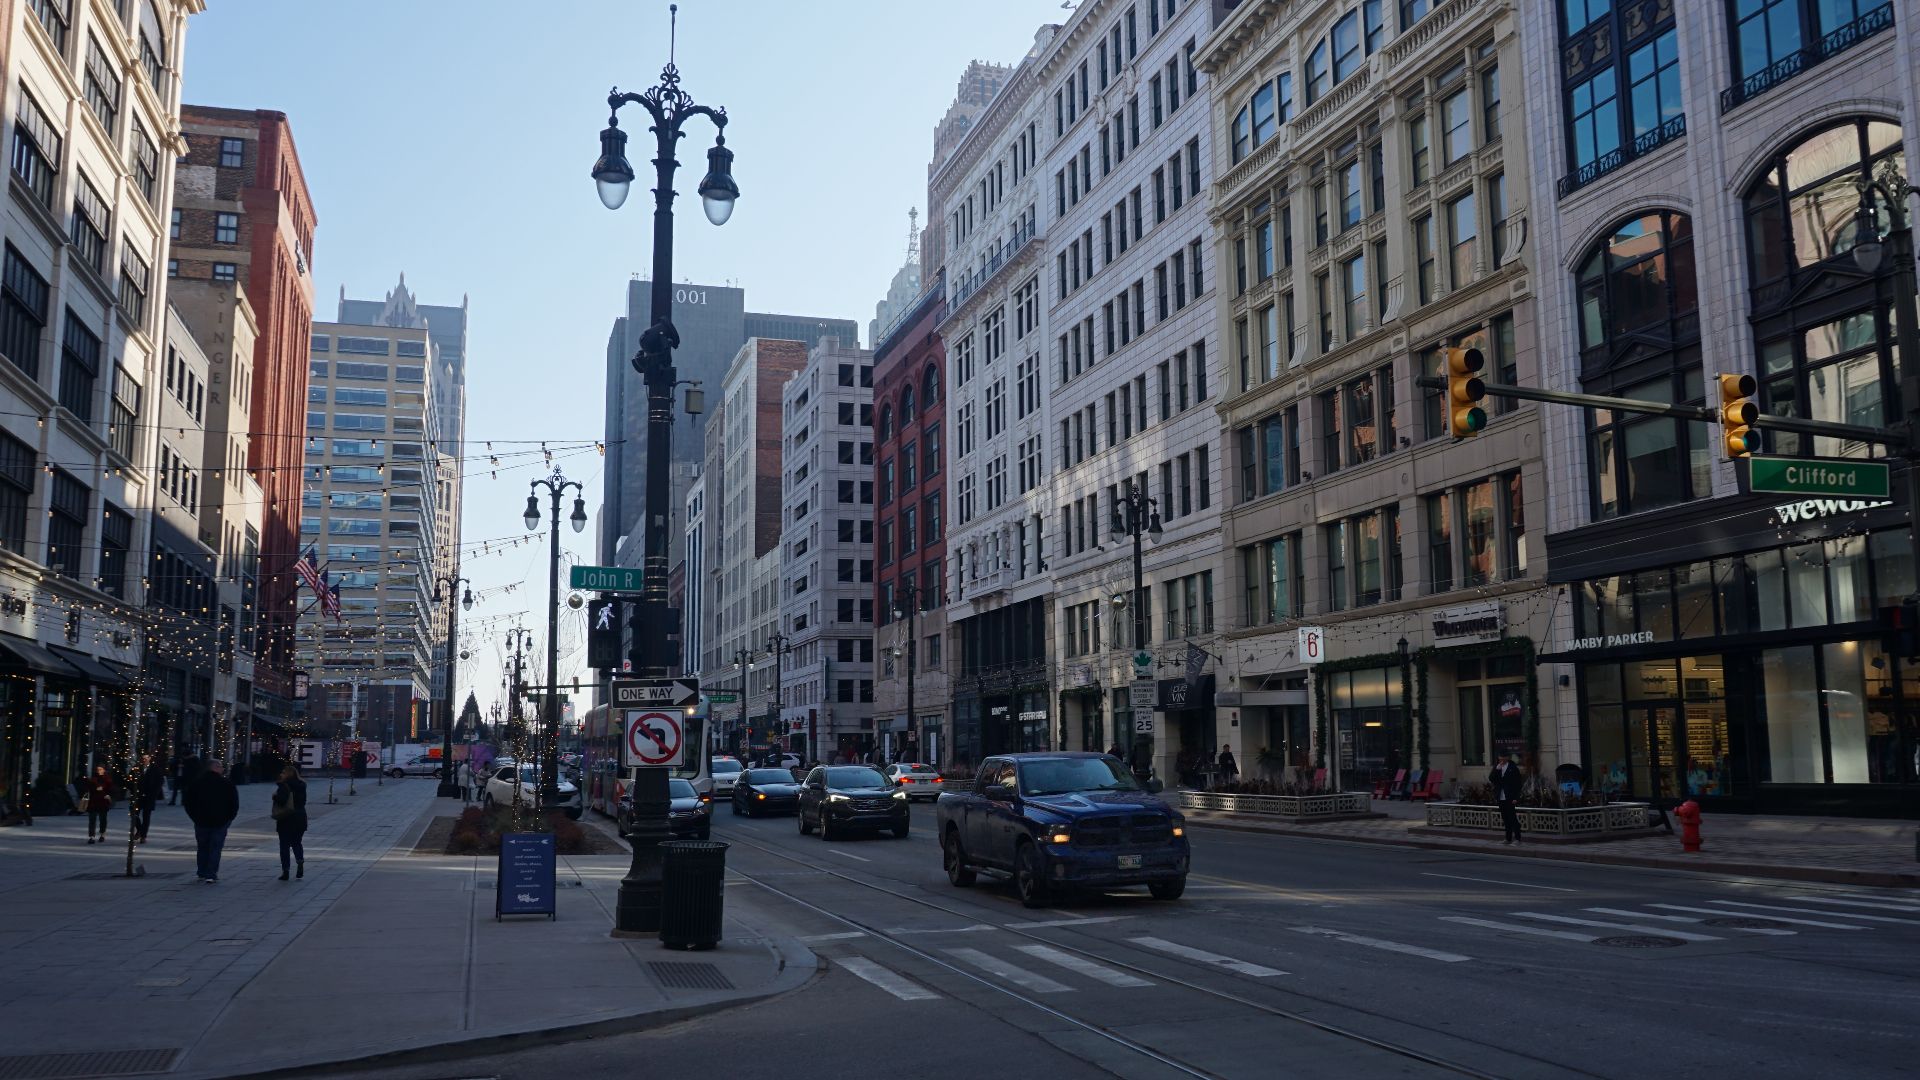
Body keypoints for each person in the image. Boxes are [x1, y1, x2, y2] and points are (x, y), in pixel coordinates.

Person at [182, 758, 239, 883]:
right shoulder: (226, 783)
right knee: (215, 848)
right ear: (215, 768)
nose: (223, 769)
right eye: (221, 767)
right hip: (221, 821)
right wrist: (230, 818)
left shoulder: (196, 783)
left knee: (202, 847)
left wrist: (194, 817)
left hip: (201, 821)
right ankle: (211, 873)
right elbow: (234, 803)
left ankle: (202, 871)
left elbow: (187, 802)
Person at [271, 763, 308, 881]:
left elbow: (282, 801)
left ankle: (285, 870)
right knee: (297, 842)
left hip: (286, 819)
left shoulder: (284, 786)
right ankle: (300, 861)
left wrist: (274, 797)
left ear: (287, 774)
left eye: (283, 772)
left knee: (284, 845)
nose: (281, 774)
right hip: (301, 817)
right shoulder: (302, 785)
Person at [1489, 752, 1524, 845]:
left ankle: (1518, 838)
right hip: (1501, 796)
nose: (1501, 761)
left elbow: (1518, 784)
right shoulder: (1497, 767)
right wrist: (1496, 770)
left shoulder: (1512, 768)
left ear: (1507, 758)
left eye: (1503, 759)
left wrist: (1516, 797)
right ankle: (1508, 838)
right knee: (1505, 818)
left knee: (1512, 818)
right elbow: (1491, 779)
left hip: (1510, 796)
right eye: (1500, 759)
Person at [136, 753, 166, 843]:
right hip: (138, 795)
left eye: (146, 758)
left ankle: (143, 836)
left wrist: (154, 794)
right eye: (143, 758)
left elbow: (160, 781)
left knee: (146, 816)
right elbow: (130, 779)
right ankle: (140, 830)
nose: (144, 760)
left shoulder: (155, 769)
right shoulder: (137, 768)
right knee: (134, 814)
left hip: (149, 796)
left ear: (150, 758)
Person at [82, 765, 114, 844]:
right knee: (92, 819)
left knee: (102, 819)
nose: (99, 771)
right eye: (97, 769)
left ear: (104, 770)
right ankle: (91, 836)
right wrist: (95, 789)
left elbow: (111, 790)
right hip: (93, 802)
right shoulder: (92, 779)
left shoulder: (107, 779)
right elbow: (88, 788)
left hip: (103, 802)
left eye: (100, 769)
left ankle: (102, 834)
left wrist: (107, 795)